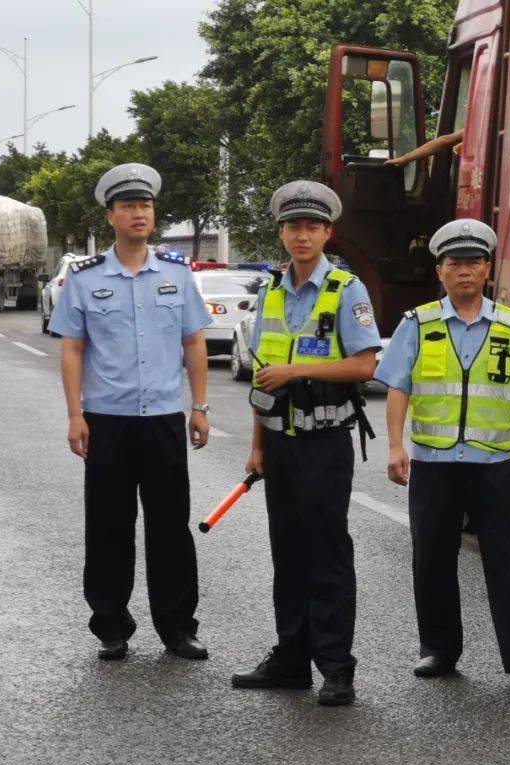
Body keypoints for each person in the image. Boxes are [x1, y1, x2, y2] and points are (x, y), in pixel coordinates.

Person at [375, 218, 510, 684]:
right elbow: (398, 386)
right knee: (431, 558)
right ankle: (438, 650)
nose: (464, 271)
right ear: (440, 271)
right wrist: (396, 446)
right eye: (454, 263)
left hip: (491, 464)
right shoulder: (418, 323)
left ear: (487, 269)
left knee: (506, 559)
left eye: (473, 262)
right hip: (434, 463)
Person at [51, 163, 213, 662]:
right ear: (111, 216)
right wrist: (75, 414)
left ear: (153, 214)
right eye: (128, 206)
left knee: (170, 527)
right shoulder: (84, 278)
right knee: (108, 526)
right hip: (107, 420)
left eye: (144, 205)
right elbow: (73, 349)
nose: (138, 213)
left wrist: (200, 407)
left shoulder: (176, 273)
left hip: (163, 418)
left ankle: (178, 627)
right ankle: (111, 626)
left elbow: (193, 341)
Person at [231, 181, 381, 707]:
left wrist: (297, 370)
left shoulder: (345, 289)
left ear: (327, 233)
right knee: (287, 555)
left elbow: (366, 364)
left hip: (324, 444)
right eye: (293, 227)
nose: (302, 235)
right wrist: (256, 448)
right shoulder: (271, 290)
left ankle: (337, 667)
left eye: (312, 227)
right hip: (277, 443)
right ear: (281, 233)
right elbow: (260, 378)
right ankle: (291, 658)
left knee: (327, 555)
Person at [384, 130, 464, 167]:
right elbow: (444, 141)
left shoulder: (473, 128)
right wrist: (405, 158)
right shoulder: (472, 129)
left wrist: (405, 159)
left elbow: (445, 141)